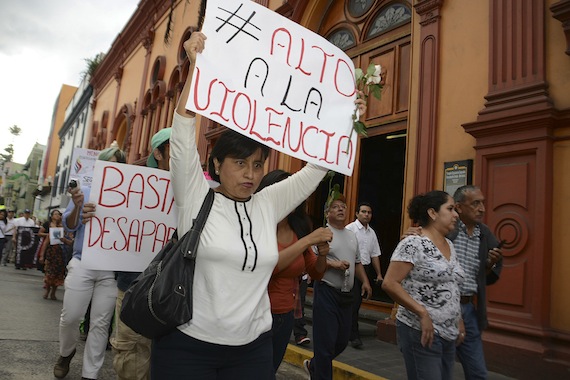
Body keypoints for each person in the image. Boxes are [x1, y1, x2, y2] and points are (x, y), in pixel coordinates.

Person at [150, 31, 367, 379]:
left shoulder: (267, 203)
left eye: (257, 164)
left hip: (252, 349)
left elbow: (318, 166)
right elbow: (183, 132)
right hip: (187, 345)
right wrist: (197, 67)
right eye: (239, 163)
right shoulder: (195, 196)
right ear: (217, 165)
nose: (250, 174)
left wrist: (347, 119)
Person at [53, 144, 126, 380]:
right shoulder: (84, 191)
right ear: (100, 165)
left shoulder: (130, 196)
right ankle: (66, 353)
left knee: (101, 324)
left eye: (118, 165)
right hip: (83, 261)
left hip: (110, 269)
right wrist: (80, 209)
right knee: (71, 316)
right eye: (108, 163)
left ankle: (90, 374)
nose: (112, 168)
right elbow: (70, 225)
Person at [382, 191, 465, 380]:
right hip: (420, 330)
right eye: (450, 209)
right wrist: (422, 312)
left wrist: (457, 317)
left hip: (448, 333)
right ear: (433, 213)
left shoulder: (449, 246)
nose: (456, 214)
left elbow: (451, 285)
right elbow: (390, 283)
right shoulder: (414, 243)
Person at [256, 170, 333, 373]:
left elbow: (315, 273)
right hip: (257, 315)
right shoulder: (256, 225)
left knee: (270, 370)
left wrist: (323, 254)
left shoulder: (299, 226)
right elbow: (268, 266)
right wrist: (308, 240)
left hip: (285, 316)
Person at [110, 127, 171, 380]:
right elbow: (112, 225)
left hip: (175, 292)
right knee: (132, 360)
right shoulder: (130, 188)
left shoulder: (199, 188)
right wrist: (95, 211)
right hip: (134, 289)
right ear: (158, 152)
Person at [304, 196, 373, 380]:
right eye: (336, 207)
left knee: (341, 342)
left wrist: (365, 281)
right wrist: (333, 264)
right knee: (325, 345)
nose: (341, 209)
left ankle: (314, 365)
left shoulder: (352, 236)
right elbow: (311, 262)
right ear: (328, 213)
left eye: (343, 206)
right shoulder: (322, 233)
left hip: (347, 294)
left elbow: (357, 262)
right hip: (327, 291)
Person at [345, 201, 383, 349]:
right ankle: (353, 335)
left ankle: (349, 332)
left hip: (364, 270)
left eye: (369, 212)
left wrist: (379, 274)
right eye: (364, 212)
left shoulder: (371, 233)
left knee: (357, 303)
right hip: (350, 270)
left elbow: (375, 255)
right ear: (357, 214)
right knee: (353, 303)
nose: (367, 214)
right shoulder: (350, 229)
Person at [39, 209, 70, 300]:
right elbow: (45, 242)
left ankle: (53, 292)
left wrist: (64, 239)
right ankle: (47, 290)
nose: (57, 216)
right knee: (49, 272)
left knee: (58, 273)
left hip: (60, 253)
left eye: (59, 214)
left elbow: (69, 240)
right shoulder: (49, 225)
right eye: (55, 214)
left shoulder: (64, 227)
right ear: (52, 216)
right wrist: (42, 255)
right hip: (51, 252)